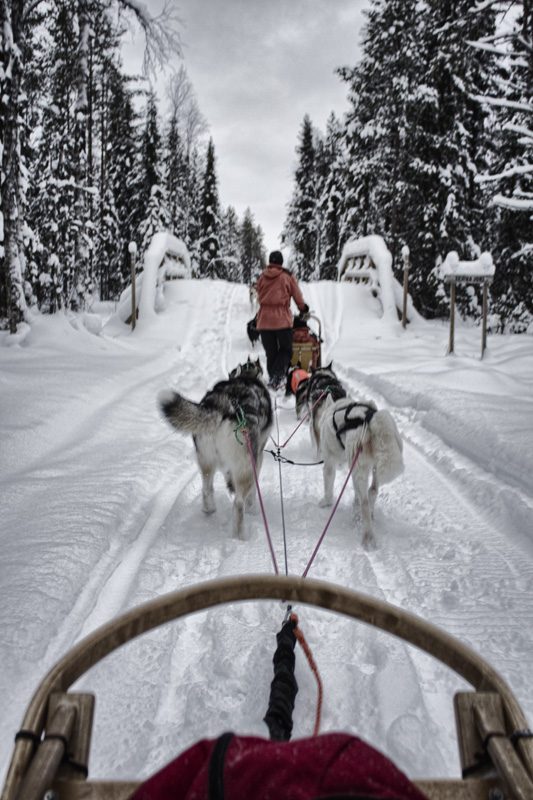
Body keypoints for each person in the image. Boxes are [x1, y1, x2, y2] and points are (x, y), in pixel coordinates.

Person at [255, 251, 309, 388]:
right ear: (281, 262)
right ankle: (276, 378)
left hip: (264, 320)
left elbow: (258, 293)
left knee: (271, 352)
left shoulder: (262, 277)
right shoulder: (287, 276)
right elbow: (297, 296)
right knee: (286, 350)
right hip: (282, 320)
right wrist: (303, 308)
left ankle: (274, 380)